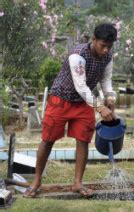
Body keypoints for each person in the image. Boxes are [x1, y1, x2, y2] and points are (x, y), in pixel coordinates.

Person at [23, 23, 118, 198]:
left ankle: (77, 183)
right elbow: (81, 87)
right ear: (94, 39)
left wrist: (110, 98)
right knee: (48, 139)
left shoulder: (108, 57)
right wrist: (100, 107)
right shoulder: (78, 55)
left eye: (109, 46)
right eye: (102, 45)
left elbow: (106, 80)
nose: (105, 50)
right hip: (61, 100)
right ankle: (36, 181)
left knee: (83, 139)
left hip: (82, 104)